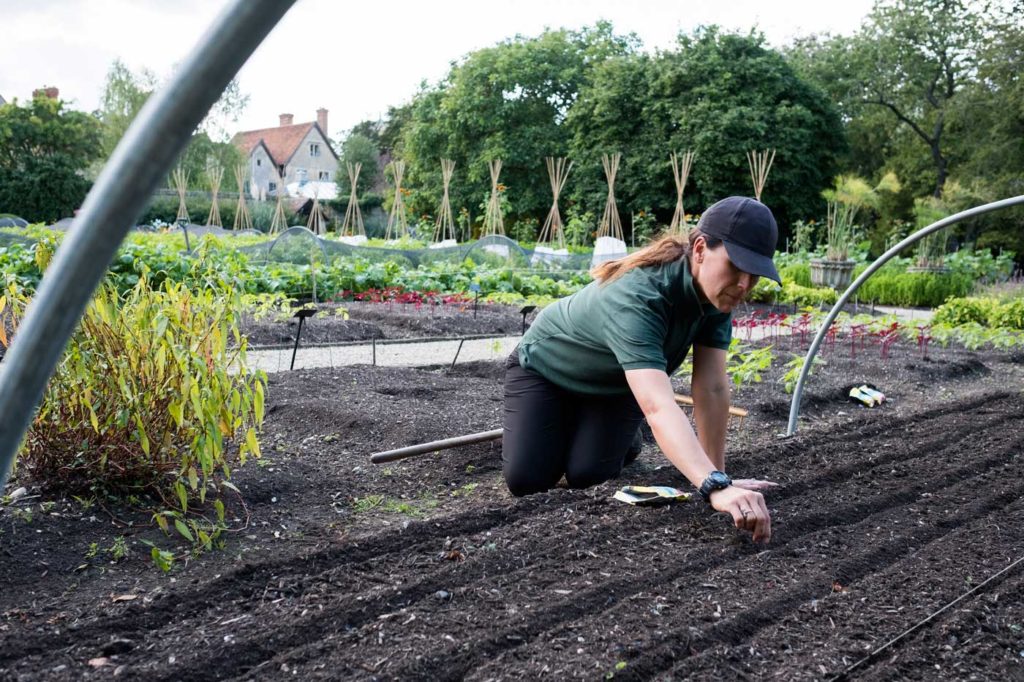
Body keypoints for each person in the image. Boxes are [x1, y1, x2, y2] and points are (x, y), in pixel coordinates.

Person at [502, 196, 780, 543]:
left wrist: (718, 477)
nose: (744, 285)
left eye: (754, 275)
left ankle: (617, 435)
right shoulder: (640, 294)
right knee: (527, 480)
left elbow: (711, 387)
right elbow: (657, 405)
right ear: (699, 249)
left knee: (589, 474)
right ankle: (594, 428)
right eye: (736, 267)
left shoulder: (716, 298)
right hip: (548, 371)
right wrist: (712, 485)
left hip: (616, 386)